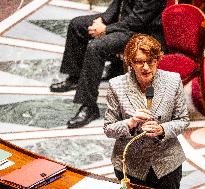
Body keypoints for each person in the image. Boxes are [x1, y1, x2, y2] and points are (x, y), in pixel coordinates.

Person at [50, 0, 168, 129]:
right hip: (124, 22)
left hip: (142, 32)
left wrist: (105, 29)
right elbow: (118, 2)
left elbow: (138, 21)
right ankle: (75, 77)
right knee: (76, 24)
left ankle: (89, 106)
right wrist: (102, 20)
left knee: (96, 47)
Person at [104, 34, 190, 189]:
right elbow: (108, 129)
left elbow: (183, 119)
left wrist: (163, 129)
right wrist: (131, 123)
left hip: (166, 164)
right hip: (130, 166)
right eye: (139, 62)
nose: (145, 67)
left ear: (157, 60)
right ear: (130, 62)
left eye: (150, 61)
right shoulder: (116, 85)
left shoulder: (172, 80)